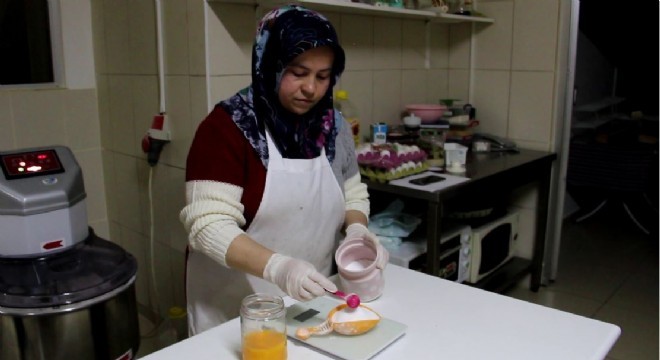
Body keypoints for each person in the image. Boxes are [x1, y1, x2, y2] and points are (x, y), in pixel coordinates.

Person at [179, 4, 388, 335]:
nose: (311, 89)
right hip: (234, 310)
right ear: (269, 64)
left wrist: (358, 232)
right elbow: (207, 226)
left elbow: (352, 191)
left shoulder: (332, 126)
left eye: (323, 77)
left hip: (310, 303)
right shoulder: (227, 128)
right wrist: (279, 268)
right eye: (298, 72)